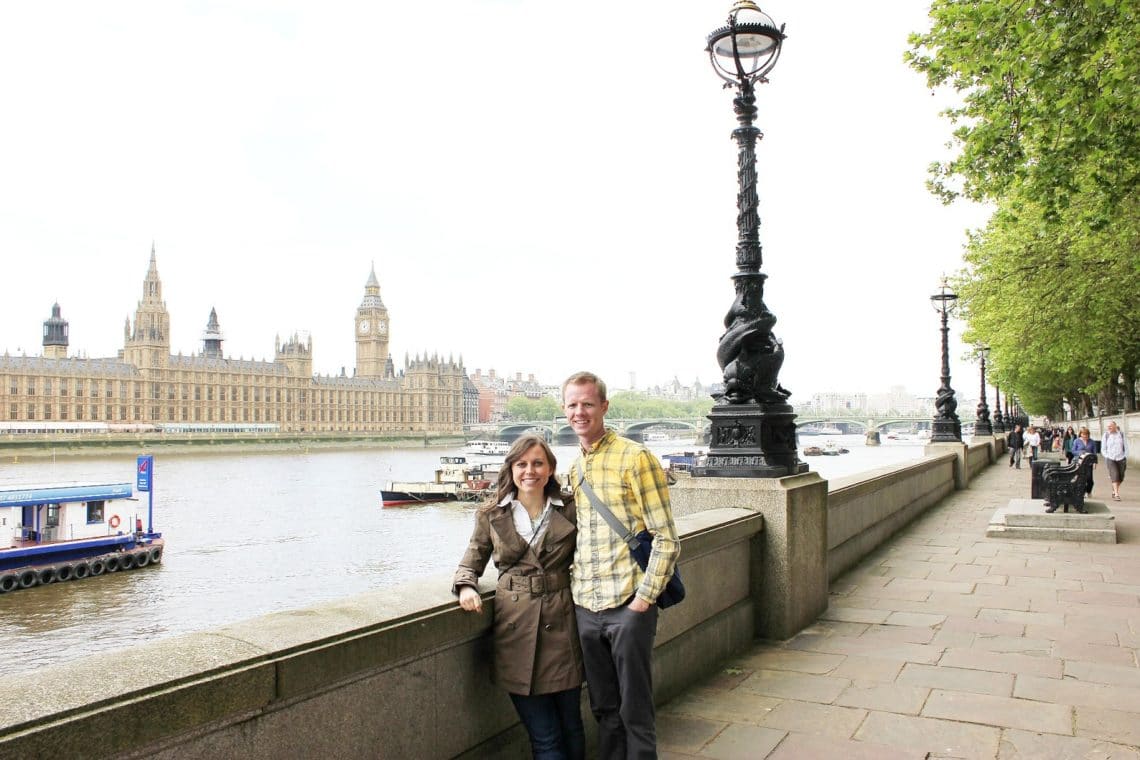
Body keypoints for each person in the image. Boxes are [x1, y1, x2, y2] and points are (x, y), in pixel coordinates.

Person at [562, 371, 679, 760]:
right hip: (586, 605)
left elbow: (666, 537)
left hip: (628, 603)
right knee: (604, 710)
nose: (580, 412)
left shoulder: (635, 457)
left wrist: (642, 602)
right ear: (564, 410)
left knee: (635, 710)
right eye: (573, 405)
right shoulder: (574, 468)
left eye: (588, 404)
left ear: (604, 407)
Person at [453, 434, 585, 760]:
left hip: (562, 625)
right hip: (515, 631)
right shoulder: (490, 514)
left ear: (551, 468)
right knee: (545, 736)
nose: (530, 471)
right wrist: (467, 586)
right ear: (511, 469)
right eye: (522, 464)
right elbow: (471, 561)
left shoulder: (571, 509)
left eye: (538, 463)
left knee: (571, 725)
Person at [1103, 421, 1128, 501]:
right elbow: (1103, 448)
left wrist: (1125, 456)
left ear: (1115, 426)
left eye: (1110, 426)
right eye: (1108, 426)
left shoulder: (1121, 434)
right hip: (1110, 458)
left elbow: (1126, 446)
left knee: (1121, 476)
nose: (1109, 428)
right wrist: (1106, 456)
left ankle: (1114, 489)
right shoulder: (1106, 435)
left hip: (1121, 457)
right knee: (1115, 475)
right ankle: (1116, 494)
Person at [1071, 427, 1098, 495]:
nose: (1085, 436)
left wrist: (1095, 462)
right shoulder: (1077, 441)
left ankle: (1088, 491)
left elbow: (1094, 453)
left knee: (1089, 478)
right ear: (1081, 434)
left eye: (1086, 435)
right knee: (1080, 477)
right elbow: (1073, 451)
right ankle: (1081, 491)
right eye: (1083, 434)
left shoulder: (1092, 442)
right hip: (1079, 461)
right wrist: (1080, 453)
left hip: (1089, 462)